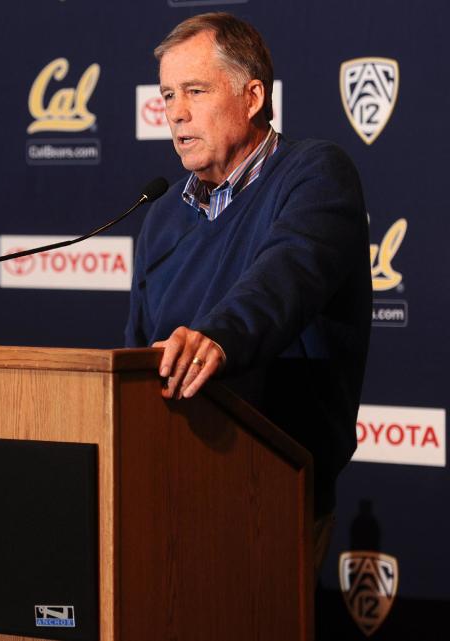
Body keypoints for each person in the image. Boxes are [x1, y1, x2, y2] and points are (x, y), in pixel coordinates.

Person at [125, 13, 371, 568]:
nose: (176, 112)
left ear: (252, 95)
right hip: (169, 495)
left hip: (273, 490)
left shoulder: (314, 175)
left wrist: (218, 336)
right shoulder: (161, 218)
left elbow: (286, 276)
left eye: (195, 90)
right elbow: (139, 354)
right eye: (167, 95)